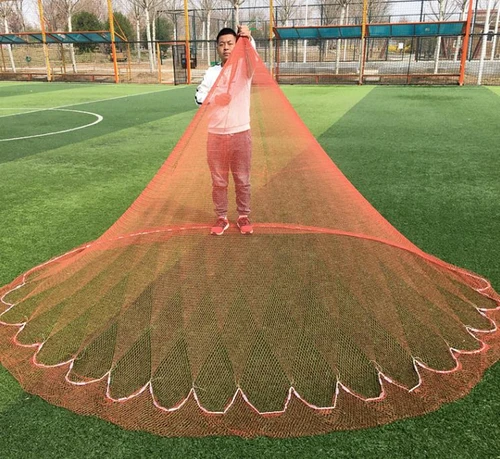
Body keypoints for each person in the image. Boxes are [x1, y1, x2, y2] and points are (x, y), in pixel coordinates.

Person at [195, 25, 256, 236]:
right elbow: (199, 97)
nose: (226, 48)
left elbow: (253, 59)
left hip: (241, 132)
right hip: (215, 135)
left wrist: (248, 38)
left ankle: (243, 215)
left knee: (242, 180)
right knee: (218, 181)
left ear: (237, 45)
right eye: (222, 44)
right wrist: (215, 98)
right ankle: (221, 217)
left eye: (231, 43)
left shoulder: (244, 68)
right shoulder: (211, 72)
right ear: (217, 48)